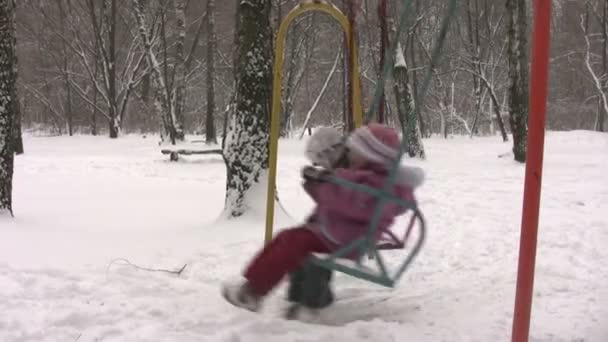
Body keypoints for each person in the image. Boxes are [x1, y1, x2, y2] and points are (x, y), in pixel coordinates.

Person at [221, 123, 425, 319]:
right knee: (289, 240)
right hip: (337, 233)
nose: (349, 154)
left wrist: (322, 185)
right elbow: (342, 198)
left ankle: (254, 292)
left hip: (346, 239)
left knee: (295, 244)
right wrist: (321, 182)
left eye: (355, 151)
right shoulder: (368, 178)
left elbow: (349, 202)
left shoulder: (378, 185)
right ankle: (301, 298)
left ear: (373, 156)